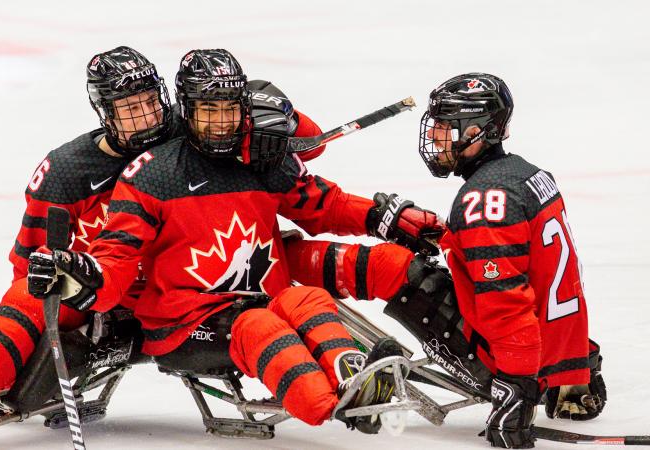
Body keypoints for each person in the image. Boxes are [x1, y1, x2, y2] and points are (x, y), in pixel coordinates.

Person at [0, 44, 361, 436]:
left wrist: (275, 114)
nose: (146, 118)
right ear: (104, 113)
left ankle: (344, 372)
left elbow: (307, 145)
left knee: (296, 276)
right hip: (101, 291)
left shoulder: (194, 130)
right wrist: (64, 282)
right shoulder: (66, 173)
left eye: (150, 102)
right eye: (129, 109)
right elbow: (31, 261)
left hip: (190, 291)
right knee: (28, 297)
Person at [28, 48, 445, 433]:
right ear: (186, 110)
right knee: (259, 326)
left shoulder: (257, 159)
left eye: (229, 109)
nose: (221, 121)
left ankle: (352, 377)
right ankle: (333, 405)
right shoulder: (151, 174)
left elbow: (321, 203)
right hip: (184, 324)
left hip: (256, 297)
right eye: (208, 109)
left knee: (307, 300)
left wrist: (380, 217)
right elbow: (117, 254)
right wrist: (87, 274)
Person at [417, 73, 605, 448]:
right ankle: (574, 374)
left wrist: (518, 386)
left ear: (476, 132)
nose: (436, 137)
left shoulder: (484, 199)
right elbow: (537, 266)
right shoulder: (527, 173)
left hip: (525, 358)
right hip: (561, 344)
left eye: (445, 126)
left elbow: (506, 303)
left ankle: (529, 382)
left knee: (397, 273)